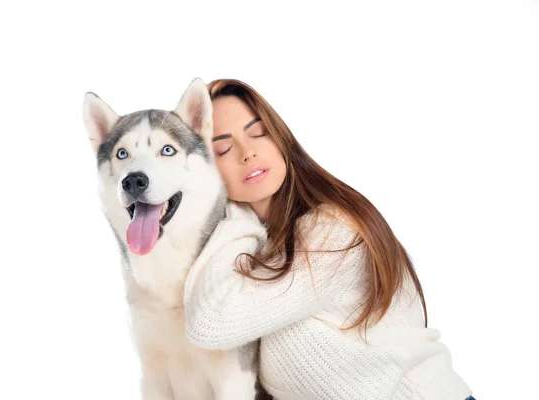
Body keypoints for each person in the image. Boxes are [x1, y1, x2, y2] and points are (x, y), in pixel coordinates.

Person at [183, 78, 474, 400]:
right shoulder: (262, 248)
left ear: (281, 138)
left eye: (258, 132)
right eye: (222, 147)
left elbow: (210, 324)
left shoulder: (333, 229)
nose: (247, 152)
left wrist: (235, 215)